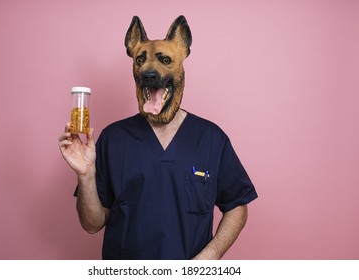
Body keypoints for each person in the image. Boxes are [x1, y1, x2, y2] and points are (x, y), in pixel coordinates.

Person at [58, 15, 257, 260]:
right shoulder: (113, 138)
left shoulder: (211, 138)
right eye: (141, 60)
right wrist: (85, 175)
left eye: (164, 60)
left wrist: (210, 257)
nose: (149, 70)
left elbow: (237, 205)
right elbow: (92, 224)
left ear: (182, 57)